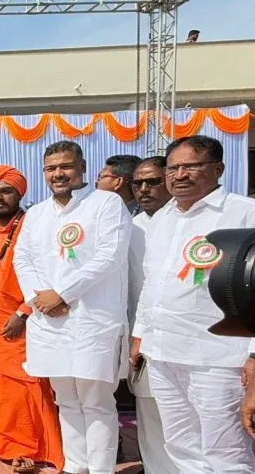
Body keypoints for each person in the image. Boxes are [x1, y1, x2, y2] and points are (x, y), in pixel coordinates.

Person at [132, 135, 255, 472]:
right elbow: (152, 282)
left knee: (226, 451)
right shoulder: (161, 219)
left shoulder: (245, 214)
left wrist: (254, 354)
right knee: (181, 445)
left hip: (218, 357)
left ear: (218, 168)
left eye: (191, 166)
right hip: (162, 353)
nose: (180, 174)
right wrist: (140, 334)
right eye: (173, 168)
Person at [12, 140, 132, 474]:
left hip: (93, 318)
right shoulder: (36, 213)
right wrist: (42, 297)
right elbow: (22, 259)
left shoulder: (106, 204)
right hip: (49, 321)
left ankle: (101, 469)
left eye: (65, 166)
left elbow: (109, 256)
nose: (58, 174)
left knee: (96, 401)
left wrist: (62, 294)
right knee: (66, 400)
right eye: (51, 168)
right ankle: (75, 466)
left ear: (82, 167)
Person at [0, 165, 64, 473]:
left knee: (21, 390)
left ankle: (27, 448)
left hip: (21, 321)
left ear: (19, 193)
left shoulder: (33, 226)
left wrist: (23, 312)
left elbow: (48, 276)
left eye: (6, 191)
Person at [124, 156, 176, 474]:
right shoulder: (130, 227)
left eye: (153, 182)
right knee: (147, 409)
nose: (144, 189)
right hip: (138, 337)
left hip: (183, 339)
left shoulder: (187, 223)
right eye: (138, 184)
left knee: (183, 416)